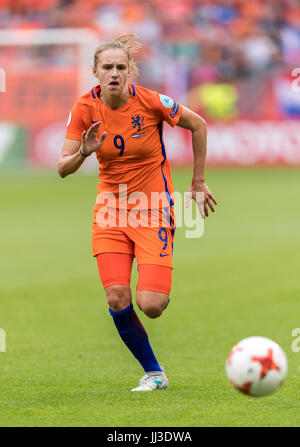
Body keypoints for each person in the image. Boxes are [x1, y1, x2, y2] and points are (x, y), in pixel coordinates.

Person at [58, 34, 217, 392]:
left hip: (152, 210)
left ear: (130, 71)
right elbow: (62, 168)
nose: (114, 73)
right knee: (116, 296)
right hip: (110, 212)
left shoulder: (150, 102)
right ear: (95, 71)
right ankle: (154, 372)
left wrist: (198, 181)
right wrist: (84, 152)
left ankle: (156, 276)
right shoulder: (85, 107)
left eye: (120, 67)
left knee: (152, 305)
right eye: (107, 68)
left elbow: (198, 124)